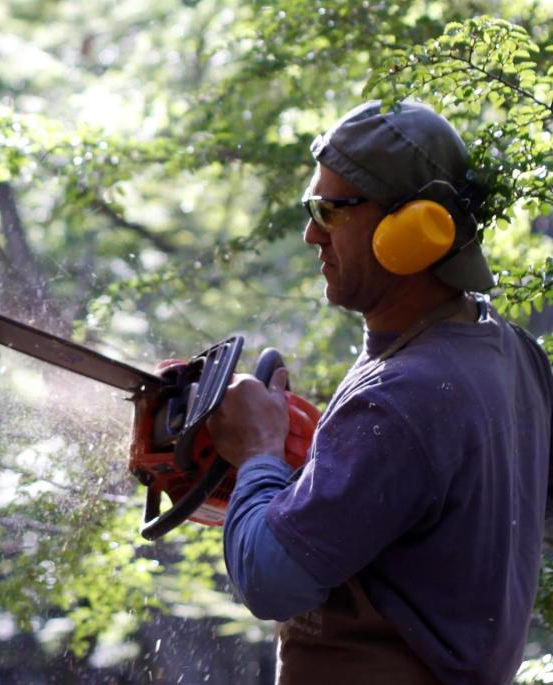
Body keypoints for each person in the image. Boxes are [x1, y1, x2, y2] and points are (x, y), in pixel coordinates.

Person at [206, 101, 553, 684]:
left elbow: (268, 580)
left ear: (414, 229)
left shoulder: (403, 397)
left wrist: (260, 450)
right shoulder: (512, 351)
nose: (310, 234)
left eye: (329, 211)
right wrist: (319, 473)